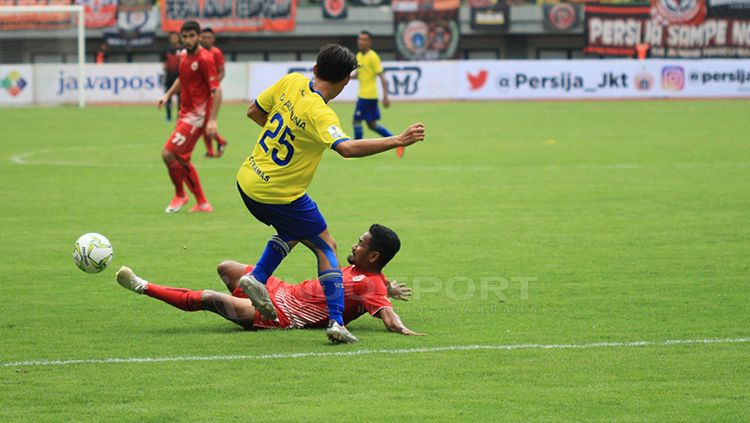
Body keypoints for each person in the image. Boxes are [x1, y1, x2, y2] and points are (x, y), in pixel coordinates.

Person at [237, 44, 425, 343]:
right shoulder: (322, 114)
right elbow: (347, 149)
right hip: (278, 192)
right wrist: (398, 139)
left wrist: (291, 134)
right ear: (346, 80)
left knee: (295, 230)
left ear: (314, 68)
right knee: (326, 245)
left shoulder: (291, 81)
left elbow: (254, 112)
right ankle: (337, 323)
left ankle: (258, 277)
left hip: (248, 180)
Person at [114, 225, 424, 338]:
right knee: (225, 267)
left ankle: (142, 286)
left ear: (373, 256)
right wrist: (389, 288)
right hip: (281, 290)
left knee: (210, 298)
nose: (354, 246)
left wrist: (406, 330)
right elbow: (376, 288)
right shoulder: (373, 278)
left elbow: (389, 318)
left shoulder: (371, 285)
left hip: (282, 315)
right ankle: (255, 292)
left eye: (361, 244)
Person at [158, 21, 222, 214]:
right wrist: (167, 95)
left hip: (196, 117)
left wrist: (212, 120)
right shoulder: (184, 56)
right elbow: (181, 78)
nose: (188, 40)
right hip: (184, 114)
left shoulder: (205, 59)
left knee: (168, 153)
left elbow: (216, 90)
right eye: (184, 37)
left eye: (191, 36)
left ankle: (180, 195)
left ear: (199, 36)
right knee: (182, 159)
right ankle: (202, 203)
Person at [352, 31, 402, 157]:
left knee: (356, 121)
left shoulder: (373, 56)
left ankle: (357, 148)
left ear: (369, 42)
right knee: (372, 125)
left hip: (367, 96)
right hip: (365, 96)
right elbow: (358, 75)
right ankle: (396, 141)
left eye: (364, 39)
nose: (360, 42)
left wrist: (385, 96)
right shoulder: (359, 55)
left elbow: (383, 77)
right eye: (359, 39)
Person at [199, 27, 229, 158]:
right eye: (204, 37)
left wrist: (214, 85)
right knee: (202, 122)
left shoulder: (216, 53)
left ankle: (212, 149)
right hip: (199, 93)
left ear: (213, 39)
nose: (206, 40)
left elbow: (222, 71)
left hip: (211, 93)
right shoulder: (197, 53)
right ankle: (220, 142)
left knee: (205, 122)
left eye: (209, 37)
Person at [161, 32, 181, 123]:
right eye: (172, 37)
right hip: (169, 76)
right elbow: (164, 62)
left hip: (180, 77)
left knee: (181, 98)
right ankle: (168, 116)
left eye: (175, 37)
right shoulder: (166, 49)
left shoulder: (183, 49)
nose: (173, 39)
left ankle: (179, 116)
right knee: (168, 97)